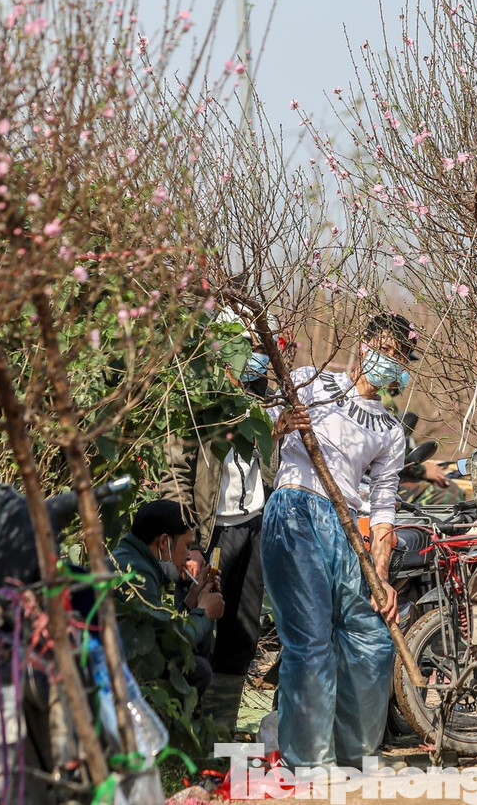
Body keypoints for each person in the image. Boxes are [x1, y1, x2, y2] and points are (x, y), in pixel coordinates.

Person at [261, 313, 414, 773]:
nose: (388, 360)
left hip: (347, 526)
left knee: (371, 636)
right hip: (295, 509)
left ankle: (359, 752)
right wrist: (284, 421)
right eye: (384, 348)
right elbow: (261, 429)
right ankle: (309, 760)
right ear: (363, 344)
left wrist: (381, 577)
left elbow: (384, 508)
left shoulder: (389, 431)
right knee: (310, 640)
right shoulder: (309, 381)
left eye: (399, 356)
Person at [201, 310, 284, 735]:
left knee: (243, 628)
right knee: (202, 625)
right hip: (215, 529)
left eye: (259, 346)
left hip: (252, 523)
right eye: (248, 345)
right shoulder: (204, 397)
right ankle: (196, 731)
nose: (256, 356)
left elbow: (270, 464)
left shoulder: (263, 397)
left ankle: (222, 728)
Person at [111, 500, 225, 697]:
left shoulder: (132, 558)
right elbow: (165, 646)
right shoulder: (138, 574)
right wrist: (204, 613)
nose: (188, 556)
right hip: (119, 678)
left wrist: (192, 599)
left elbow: (161, 628)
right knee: (197, 671)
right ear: (164, 542)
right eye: (187, 546)